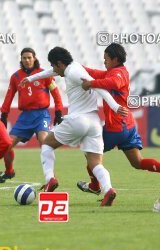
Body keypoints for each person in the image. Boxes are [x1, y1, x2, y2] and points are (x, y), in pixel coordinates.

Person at [19, 47, 128, 206]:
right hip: (94, 123)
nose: (54, 70)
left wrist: (115, 106)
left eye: (55, 66)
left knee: (47, 144)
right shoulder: (74, 66)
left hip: (78, 120)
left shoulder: (73, 73)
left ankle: (50, 179)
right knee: (95, 163)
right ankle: (108, 190)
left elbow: (99, 88)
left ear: (60, 63)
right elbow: (50, 72)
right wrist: (30, 78)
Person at [77, 43, 160, 196]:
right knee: (138, 162)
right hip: (127, 126)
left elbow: (113, 82)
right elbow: (95, 72)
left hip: (116, 127)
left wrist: (91, 84)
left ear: (115, 59)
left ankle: (95, 186)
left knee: (91, 154)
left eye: (106, 59)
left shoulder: (119, 73)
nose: (104, 61)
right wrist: (76, 66)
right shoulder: (113, 72)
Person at [0, 47, 63, 183]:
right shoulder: (16, 77)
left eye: (29, 57)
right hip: (25, 117)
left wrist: (58, 111)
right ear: (21, 59)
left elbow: (56, 93)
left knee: (45, 143)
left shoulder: (44, 74)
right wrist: (4, 114)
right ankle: (9, 172)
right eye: (24, 58)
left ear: (34, 58)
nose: (27, 60)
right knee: (6, 145)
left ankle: (51, 178)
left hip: (41, 115)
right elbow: (9, 96)